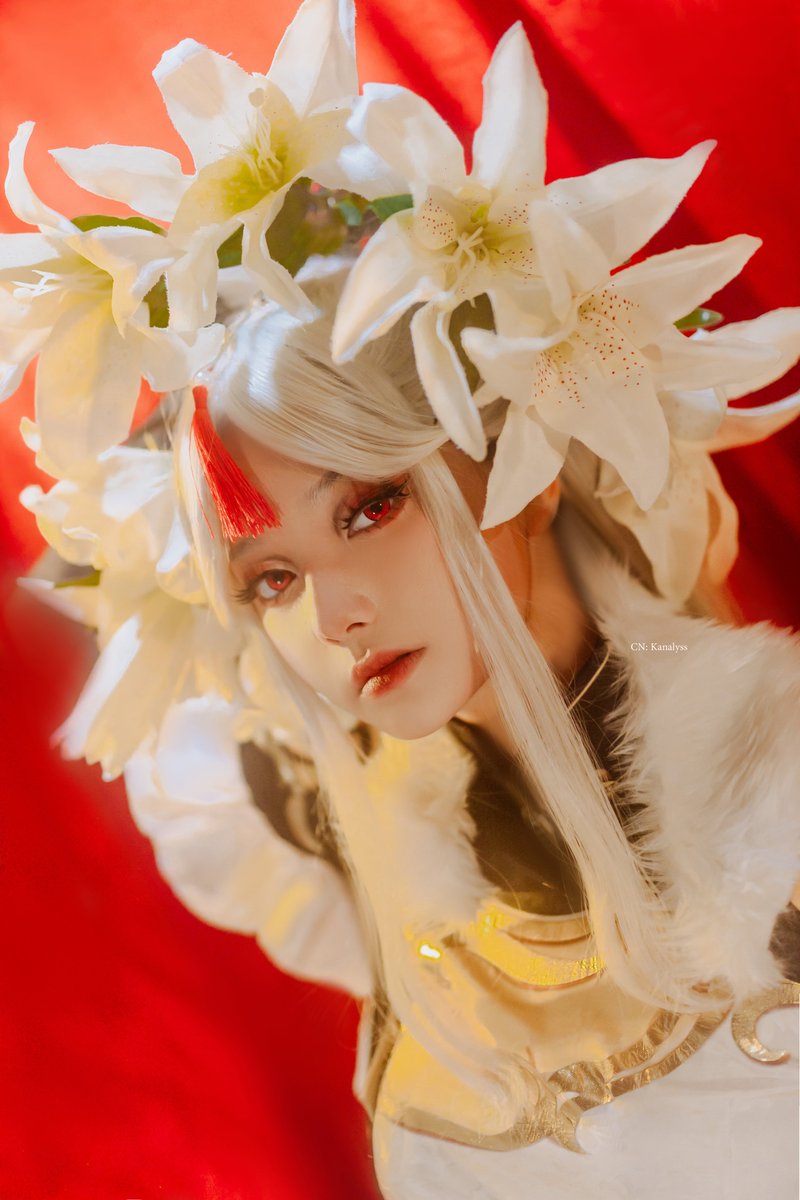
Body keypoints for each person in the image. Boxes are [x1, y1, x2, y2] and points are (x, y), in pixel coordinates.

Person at [3, 1, 799, 1195]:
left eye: (369, 508)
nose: (332, 618)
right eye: (271, 579)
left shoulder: (779, 785)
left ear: (522, 458)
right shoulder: (399, 906)